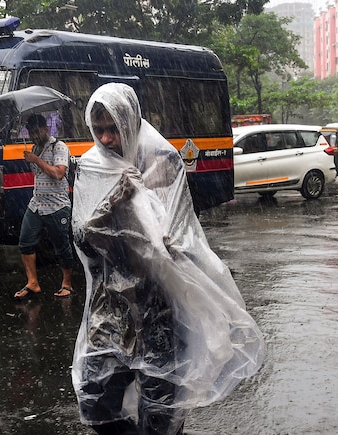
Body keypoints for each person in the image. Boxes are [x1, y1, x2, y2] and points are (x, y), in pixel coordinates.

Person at [71, 83, 264, 435]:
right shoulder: (92, 167)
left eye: (114, 129)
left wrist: (137, 197)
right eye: (99, 130)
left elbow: (170, 242)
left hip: (156, 302)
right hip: (109, 304)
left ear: (131, 122)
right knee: (95, 398)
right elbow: (83, 237)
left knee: (161, 409)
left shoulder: (162, 160)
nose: (107, 138)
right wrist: (115, 199)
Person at [14, 113, 74, 300]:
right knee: (25, 241)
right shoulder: (34, 148)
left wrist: (36, 160)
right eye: (31, 131)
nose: (34, 135)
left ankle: (67, 284)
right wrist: (34, 157)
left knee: (62, 246)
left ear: (46, 129)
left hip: (57, 205)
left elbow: (58, 173)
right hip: (37, 204)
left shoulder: (59, 147)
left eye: (37, 130)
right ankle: (32, 283)